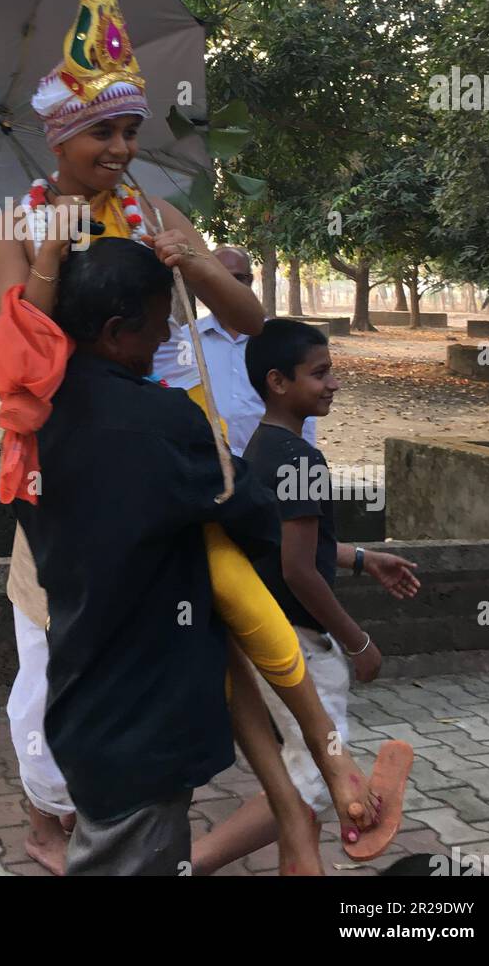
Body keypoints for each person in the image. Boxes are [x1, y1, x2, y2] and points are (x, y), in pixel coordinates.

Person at [0, 0, 389, 873]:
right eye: (105, 133)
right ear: (61, 135)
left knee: (224, 622)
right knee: (75, 652)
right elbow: (20, 355)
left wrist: (195, 266)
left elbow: (260, 334)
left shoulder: (154, 212)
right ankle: (64, 821)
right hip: (83, 467)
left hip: (176, 450)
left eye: (132, 131)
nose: (123, 149)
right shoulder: (16, 220)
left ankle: (297, 804)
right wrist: (53, 257)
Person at [13, 238, 326, 874]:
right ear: (114, 331)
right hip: (145, 704)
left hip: (86, 681)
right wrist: (205, 441)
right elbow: (255, 513)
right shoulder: (157, 419)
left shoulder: (35, 414)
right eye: (159, 325)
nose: (166, 338)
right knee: (135, 852)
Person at [191, 319, 420, 872]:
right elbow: (298, 569)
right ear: (277, 381)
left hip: (269, 633)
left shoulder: (263, 448)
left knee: (307, 780)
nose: (334, 383)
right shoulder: (302, 460)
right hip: (301, 644)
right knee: (316, 781)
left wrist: (365, 559)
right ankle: (192, 863)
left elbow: (293, 544)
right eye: (319, 373)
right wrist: (358, 640)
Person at [192, 245, 316, 455]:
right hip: (206, 469)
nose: (228, 287)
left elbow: (302, 406)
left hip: (269, 466)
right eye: (219, 278)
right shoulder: (185, 341)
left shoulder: (280, 340)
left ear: (250, 281)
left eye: (238, 279)